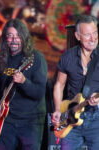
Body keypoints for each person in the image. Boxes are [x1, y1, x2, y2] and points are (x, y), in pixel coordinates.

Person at [0, 19, 48, 150]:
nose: (14, 40)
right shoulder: (0, 57)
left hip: (31, 121)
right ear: (5, 38)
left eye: (18, 36)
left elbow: (39, 93)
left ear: (24, 38)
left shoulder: (35, 58)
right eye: (10, 36)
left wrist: (24, 82)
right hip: (6, 120)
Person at [51, 15, 99, 150]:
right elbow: (59, 84)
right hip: (71, 116)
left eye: (95, 33)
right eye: (88, 34)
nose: (93, 38)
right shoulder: (68, 57)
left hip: (96, 117)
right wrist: (56, 109)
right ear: (78, 36)